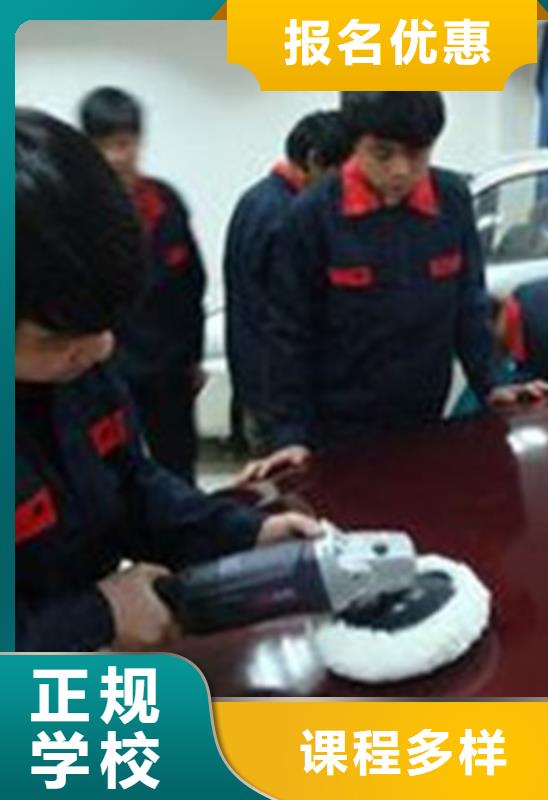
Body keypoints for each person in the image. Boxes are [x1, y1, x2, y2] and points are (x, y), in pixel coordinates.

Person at [15, 109, 320, 653]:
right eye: (57, 339)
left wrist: (243, 534)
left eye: (107, 324)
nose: (102, 349)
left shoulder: (80, 360)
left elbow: (131, 484)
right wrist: (95, 616)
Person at [241, 92, 508, 482]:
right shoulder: (311, 215)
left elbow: (469, 303)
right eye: (382, 154)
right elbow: (289, 333)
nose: (401, 170)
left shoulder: (452, 200)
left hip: (424, 417)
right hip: (338, 428)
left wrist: (492, 383)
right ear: (355, 144)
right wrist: (290, 434)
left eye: (416, 154)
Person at [80, 87, 206, 482]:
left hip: (168, 367)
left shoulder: (166, 203)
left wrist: (193, 357)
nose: (116, 156)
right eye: (104, 146)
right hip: (105, 368)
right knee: (110, 473)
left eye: (124, 143)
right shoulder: (76, 210)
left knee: (178, 464)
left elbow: (191, 287)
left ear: (138, 141)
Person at [223, 110, 352, 456]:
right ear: (314, 161)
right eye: (342, 171)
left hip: (254, 379)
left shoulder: (255, 198)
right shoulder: (290, 217)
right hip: (278, 391)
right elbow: (288, 316)